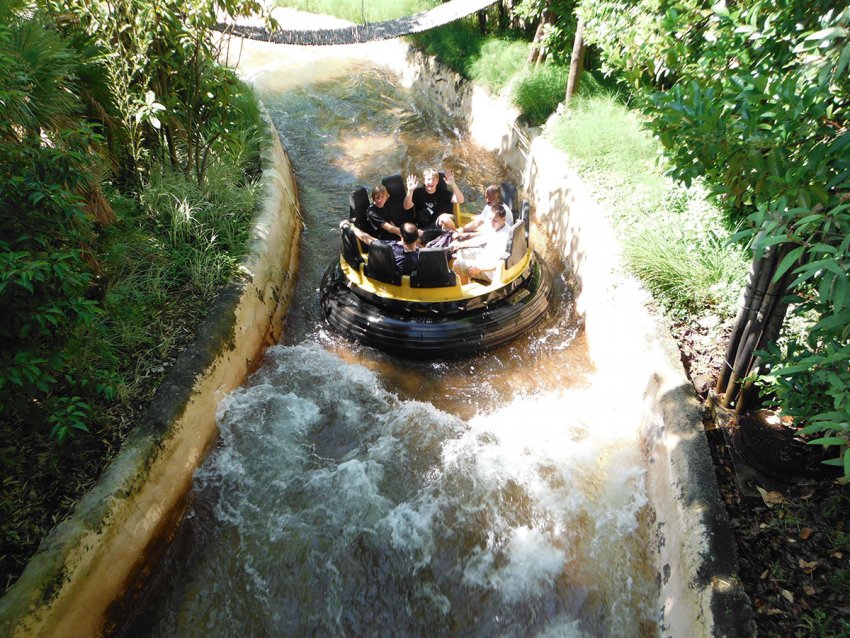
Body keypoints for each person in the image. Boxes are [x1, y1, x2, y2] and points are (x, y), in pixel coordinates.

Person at [449, 203, 511, 284]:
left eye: (495, 220)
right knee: (461, 252)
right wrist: (460, 244)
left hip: (491, 271)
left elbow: (500, 263)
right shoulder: (496, 226)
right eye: (490, 219)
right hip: (485, 257)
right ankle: (468, 277)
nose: (492, 222)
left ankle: (466, 290)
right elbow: (479, 240)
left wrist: (479, 268)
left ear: (503, 219)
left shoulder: (504, 237)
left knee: (457, 264)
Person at [339, 220, 420, 276]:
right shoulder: (421, 256)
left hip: (389, 278)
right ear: (417, 238)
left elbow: (369, 239)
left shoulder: (392, 248)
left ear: (402, 237)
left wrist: (351, 228)